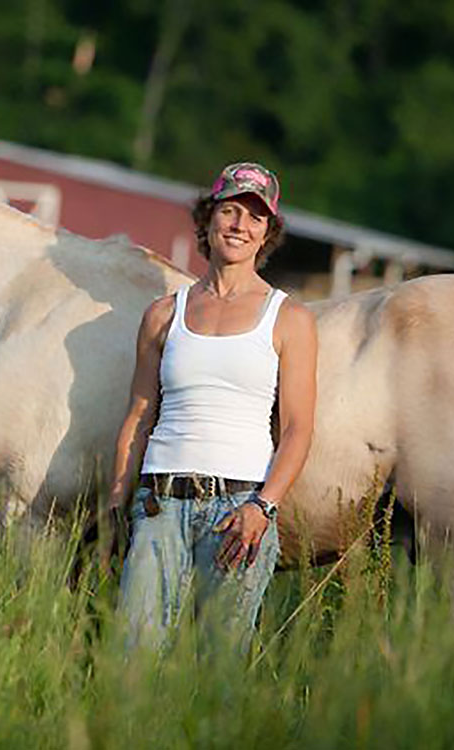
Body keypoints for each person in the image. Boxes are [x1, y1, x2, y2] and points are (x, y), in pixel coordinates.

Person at [108, 162, 318, 651]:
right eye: (230, 210)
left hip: (238, 509)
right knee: (133, 657)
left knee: (219, 665)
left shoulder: (289, 318)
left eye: (254, 217)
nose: (240, 225)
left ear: (267, 232)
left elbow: (298, 429)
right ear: (208, 220)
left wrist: (263, 507)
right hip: (160, 504)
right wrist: (118, 506)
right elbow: (139, 416)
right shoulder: (164, 314)